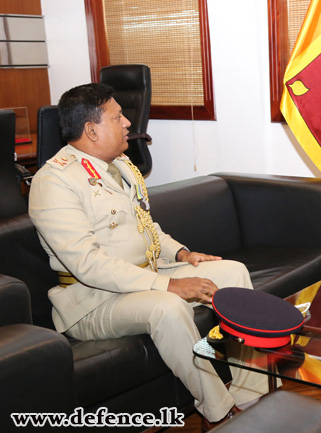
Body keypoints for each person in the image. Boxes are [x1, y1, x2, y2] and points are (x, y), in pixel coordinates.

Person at [28, 83, 268, 431]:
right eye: (118, 116)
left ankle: (251, 394)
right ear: (92, 130)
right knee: (166, 307)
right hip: (93, 300)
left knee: (231, 272)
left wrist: (183, 254)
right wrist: (170, 285)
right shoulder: (54, 181)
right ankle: (219, 414)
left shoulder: (120, 165)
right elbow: (87, 264)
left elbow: (146, 226)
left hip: (145, 274)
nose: (128, 123)